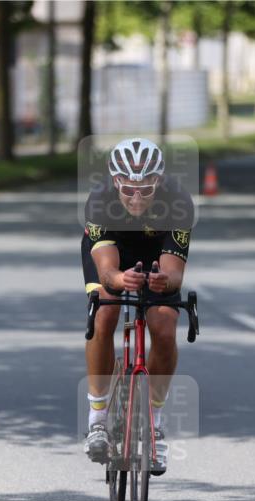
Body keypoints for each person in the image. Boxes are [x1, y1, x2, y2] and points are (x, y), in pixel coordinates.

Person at [81, 138, 195, 476]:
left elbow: (174, 273)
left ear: (157, 181)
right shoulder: (99, 200)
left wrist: (164, 284)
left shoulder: (178, 202)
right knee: (105, 313)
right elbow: (106, 270)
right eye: (128, 189)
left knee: (163, 327)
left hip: (156, 255)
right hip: (114, 256)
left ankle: (155, 421)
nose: (136, 198)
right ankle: (98, 416)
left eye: (145, 190)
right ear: (116, 181)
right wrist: (119, 279)